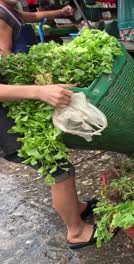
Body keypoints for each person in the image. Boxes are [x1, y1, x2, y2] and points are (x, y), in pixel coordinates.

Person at [0, 0, 105, 249]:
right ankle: (77, 232)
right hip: (4, 124)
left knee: (61, 166)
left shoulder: (8, 8)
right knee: (59, 171)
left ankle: (76, 208)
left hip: (12, 109)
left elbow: (31, 18)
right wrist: (38, 91)